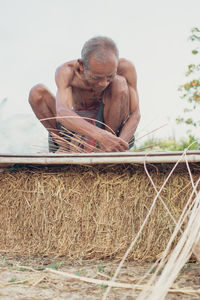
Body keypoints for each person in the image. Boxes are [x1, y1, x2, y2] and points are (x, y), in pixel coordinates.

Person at [29, 36, 140, 152]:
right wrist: (99, 135)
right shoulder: (66, 71)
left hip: (110, 128)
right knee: (37, 92)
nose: (103, 84)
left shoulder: (126, 68)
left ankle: (105, 148)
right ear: (81, 65)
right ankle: (63, 146)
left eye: (109, 76)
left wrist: (118, 144)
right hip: (75, 126)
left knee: (119, 82)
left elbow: (135, 114)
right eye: (96, 77)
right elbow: (61, 111)